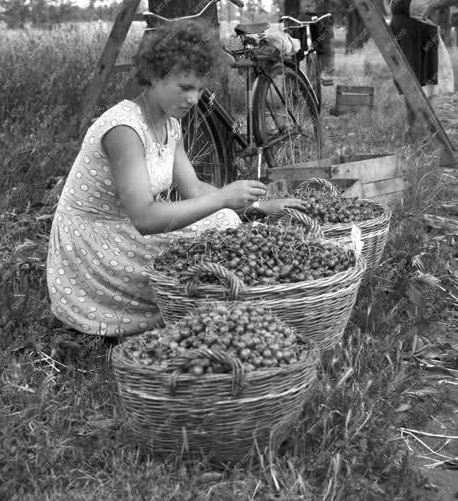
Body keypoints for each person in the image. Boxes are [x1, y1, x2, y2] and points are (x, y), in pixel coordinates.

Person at [46, 19, 308, 341]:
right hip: (96, 246)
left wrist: (255, 205)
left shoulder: (171, 124)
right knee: (211, 246)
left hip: (125, 230)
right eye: (184, 87)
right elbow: (144, 218)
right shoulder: (124, 130)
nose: (194, 99)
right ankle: (217, 312)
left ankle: (234, 306)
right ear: (155, 77)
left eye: (199, 89)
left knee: (223, 224)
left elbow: (194, 189)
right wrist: (224, 198)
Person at [383, 0, 458, 136]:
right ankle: (414, 130)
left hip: (421, 38)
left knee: (422, 88)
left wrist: (434, 7)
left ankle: (427, 132)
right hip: (401, 38)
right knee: (406, 84)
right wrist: (389, 12)